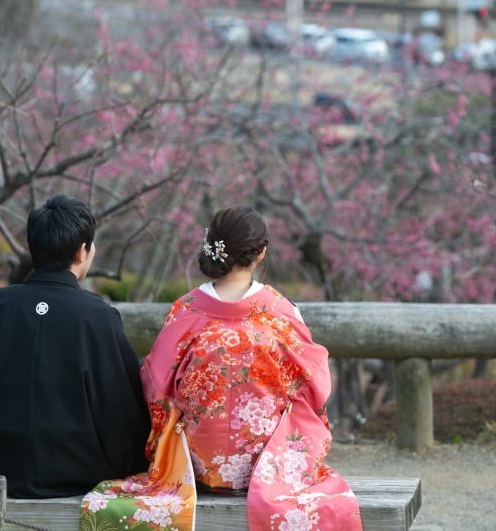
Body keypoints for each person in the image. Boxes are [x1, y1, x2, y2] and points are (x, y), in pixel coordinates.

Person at [81, 205, 363, 531]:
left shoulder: (186, 311)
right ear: (261, 254)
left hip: (195, 465)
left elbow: (155, 386)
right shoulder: (282, 313)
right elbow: (315, 385)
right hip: (270, 463)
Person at [0, 194, 151, 499]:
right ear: (82, 252)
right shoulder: (97, 315)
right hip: (78, 472)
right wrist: (134, 460)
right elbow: (118, 408)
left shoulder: (0, 304)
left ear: (33, 247)